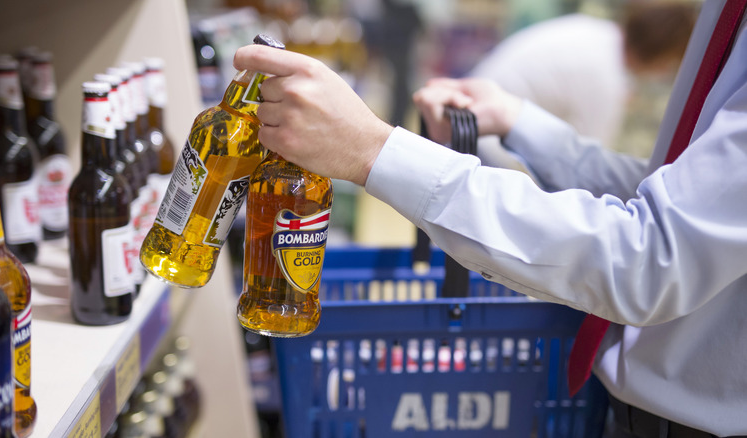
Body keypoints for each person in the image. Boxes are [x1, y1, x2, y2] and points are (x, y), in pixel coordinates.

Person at [233, 0, 747, 435]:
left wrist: (376, 152)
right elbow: (667, 196)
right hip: (623, 401)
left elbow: (651, 255)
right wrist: (524, 125)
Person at [468, 3, 697, 148]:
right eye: (671, 62)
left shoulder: (597, 32)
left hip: (477, 120)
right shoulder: (606, 78)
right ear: (659, 53)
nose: (667, 71)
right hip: (486, 145)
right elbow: (589, 161)